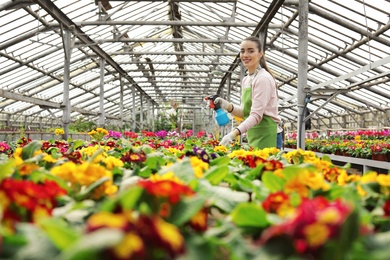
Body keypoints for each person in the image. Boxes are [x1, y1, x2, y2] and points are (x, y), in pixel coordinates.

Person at [215, 36, 280, 149]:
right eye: (242, 51)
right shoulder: (247, 79)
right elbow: (245, 112)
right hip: (254, 134)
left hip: (268, 135)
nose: (245, 55)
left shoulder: (263, 78)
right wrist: (227, 106)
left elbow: (256, 116)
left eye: (251, 51)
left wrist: (233, 133)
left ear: (260, 53)